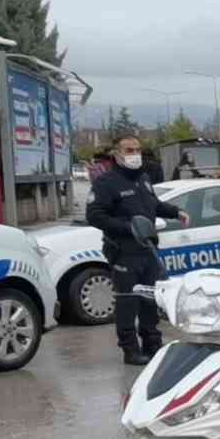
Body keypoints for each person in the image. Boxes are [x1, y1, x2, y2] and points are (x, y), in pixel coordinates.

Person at [86, 136, 186, 366]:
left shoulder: (143, 178)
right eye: (129, 150)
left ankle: (152, 343)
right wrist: (127, 228)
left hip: (148, 249)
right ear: (117, 154)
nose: (135, 154)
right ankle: (130, 349)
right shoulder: (106, 183)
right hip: (123, 251)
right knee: (127, 301)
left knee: (151, 299)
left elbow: (154, 205)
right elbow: (94, 215)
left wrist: (175, 212)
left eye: (138, 150)